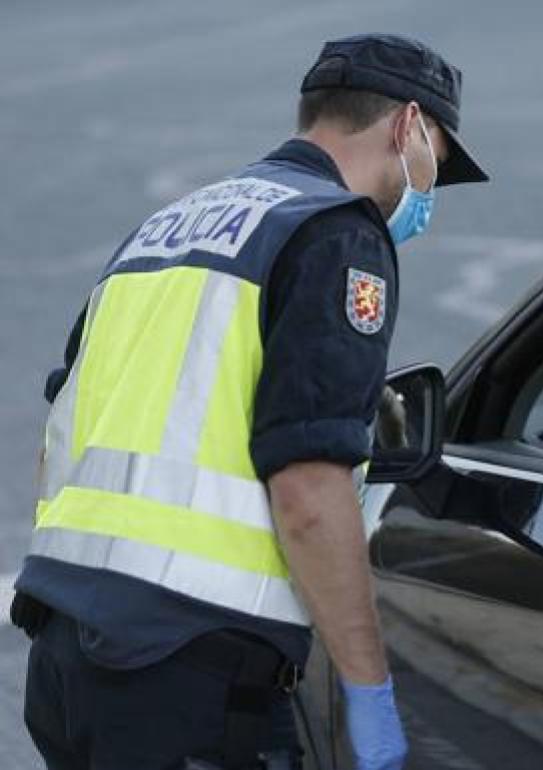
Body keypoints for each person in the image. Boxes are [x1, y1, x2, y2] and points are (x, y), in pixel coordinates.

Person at [11, 34, 488, 770]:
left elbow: (68, 424)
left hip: (66, 654)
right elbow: (306, 488)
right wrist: (368, 690)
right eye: (437, 163)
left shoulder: (166, 228)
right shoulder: (335, 232)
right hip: (188, 671)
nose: (424, 191)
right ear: (408, 127)